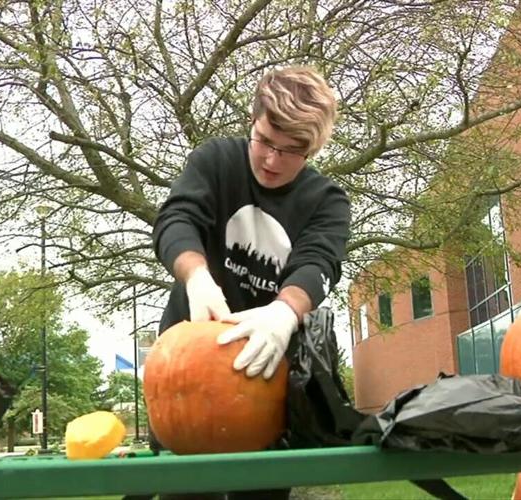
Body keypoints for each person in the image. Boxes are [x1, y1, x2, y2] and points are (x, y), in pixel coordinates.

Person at [145, 65, 350, 500]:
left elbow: (319, 262)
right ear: (252, 122)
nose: (273, 161)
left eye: (292, 150)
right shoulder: (214, 161)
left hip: (266, 376)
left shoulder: (327, 201)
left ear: (313, 148)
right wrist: (196, 276)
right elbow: (176, 219)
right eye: (265, 141)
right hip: (188, 374)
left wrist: (285, 311)